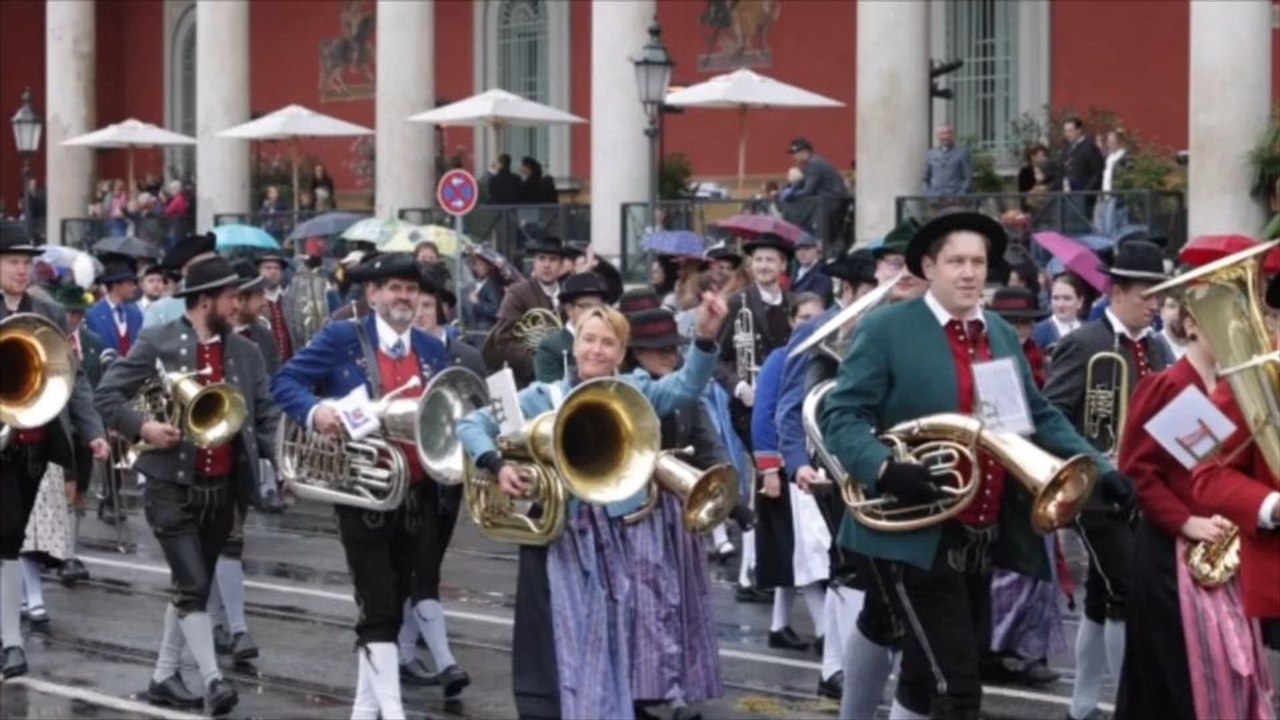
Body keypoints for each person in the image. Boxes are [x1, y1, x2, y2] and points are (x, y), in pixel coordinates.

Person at [820, 212, 1122, 719]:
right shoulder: (887, 329)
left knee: (923, 677)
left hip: (978, 535)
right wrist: (886, 469)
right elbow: (843, 415)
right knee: (956, 691)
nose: (969, 273)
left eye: (978, 262)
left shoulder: (999, 332)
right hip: (913, 532)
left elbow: (1036, 414)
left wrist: (1099, 468)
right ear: (929, 267)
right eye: (956, 261)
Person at [457, 293, 728, 719]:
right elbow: (473, 424)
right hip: (566, 532)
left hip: (621, 531)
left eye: (607, 343)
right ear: (575, 343)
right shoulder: (541, 396)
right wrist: (497, 463)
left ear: (621, 352)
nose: (596, 350)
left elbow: (687, 386)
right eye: (588, 340)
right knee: (574, 633)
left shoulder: (635, 389)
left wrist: (707, 338)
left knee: (622, 627)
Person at [271, 253, 459, 717]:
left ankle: (362, 712)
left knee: (395, 605)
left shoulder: (433, 349)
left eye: (411, 289)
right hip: (364, 493)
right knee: (378, 606)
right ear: (373, 295)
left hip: (418, 495)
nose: (404, 297)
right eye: (394, 287)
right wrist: (318, 412)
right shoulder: (343, 338)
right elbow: (286, 381)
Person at [94, 255, 279, 713]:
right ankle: (214, 680)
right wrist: (144, 428)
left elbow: (265, 413)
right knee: (194, 581)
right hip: (170, 483)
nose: (238, 305)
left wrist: (288, 458)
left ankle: (162, 676)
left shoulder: (247, 351)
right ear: (204, 300)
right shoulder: (159, 340)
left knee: (188, 585)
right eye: (231, 296)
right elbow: (107, 393)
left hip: (223, 487)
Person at [1115, 274, 1275, 720]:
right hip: (1175, 554)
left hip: (1225, 550)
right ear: (1191, 326)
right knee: (1179, 676)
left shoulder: (1236, 389)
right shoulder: (1171, 386)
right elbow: (1138, 471)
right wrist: (1185, 521)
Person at [1041, 239, 1174, 720]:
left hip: (1144, 489)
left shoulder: (1157, 346)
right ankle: (1131, 705)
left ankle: (1081, 707)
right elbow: (1051, 414)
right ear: (1117, 290)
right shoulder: (1084, 342)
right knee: (1127, 591)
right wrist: (1097, 458)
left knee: (1101, 594)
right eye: (1147, 295)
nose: (1155, 304)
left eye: (1159, 295)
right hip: (1097, 493)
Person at [0, 223, 109, 679]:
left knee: (12, 538)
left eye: (27, 263)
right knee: (6, 540)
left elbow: (72, 377)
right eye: (13, 262)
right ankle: (11, 642)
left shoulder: (46, 309)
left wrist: (92, 432)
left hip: (35, 445)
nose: (22, 271)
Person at [621, 307, 731, 720]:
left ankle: (674, 686)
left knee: (681, 601)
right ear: (638, 354)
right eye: (660, 349)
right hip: (637, 509)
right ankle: (657, 692)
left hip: (677, 508)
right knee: (649, 602)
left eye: (672, 348)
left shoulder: (680, 383)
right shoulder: (634, 389)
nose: (670, 355)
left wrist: (731, 496)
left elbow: (706, 439)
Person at [50, 282, 106, 585]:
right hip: (56, 424)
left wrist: (96, 427)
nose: (74, 319)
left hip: (83, 422)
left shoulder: (92, 341)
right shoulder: (51, 336)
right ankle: (61, 553)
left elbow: (90, 382)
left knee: (80, 491)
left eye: (78, 313)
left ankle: (70, 548)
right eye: (69, 313)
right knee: (62, 491)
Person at [488, 236, 581, 386]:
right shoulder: (517, 294)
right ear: (534, 263)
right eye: (541, 259)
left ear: (561, 264)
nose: (546, 265)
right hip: (527, 382)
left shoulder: (570, 295)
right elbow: (503, 341)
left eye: (553, 259)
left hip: (567, 379)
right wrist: (540, 362)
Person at [533, 272, 609, 383]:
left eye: (599, 307)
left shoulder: (610, 341)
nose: (595, 313)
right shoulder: (550, 347)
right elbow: (549, 391)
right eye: (586, 306)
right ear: (569, 310)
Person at [414, 263, 486, 377]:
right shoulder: (397, 355)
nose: (418, 314)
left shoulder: (470, 358)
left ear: (444, 308)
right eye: (412, 306)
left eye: (427, 306)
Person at [781, 137, 852, 245]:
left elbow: (808, 190)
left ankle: (794, 237)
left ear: (806, 152)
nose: (795, 156)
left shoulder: (813, 164)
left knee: (792, 207)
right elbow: (804, 185)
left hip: (832, 202)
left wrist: (792, 195)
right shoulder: (813, 162)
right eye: (794, 154)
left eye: (797, 153)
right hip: (830, 201)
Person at [85, 260, 144, 357]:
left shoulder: (135, 313)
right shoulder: (93, 315)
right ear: (116, 286)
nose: (134, 288)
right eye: (129, 284)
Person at [1032, 272, 1089, 356]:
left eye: (1067, 298)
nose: (1060, 304)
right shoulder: (1038, 331)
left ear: (1080, 302)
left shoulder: (1089, 330)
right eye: (1056, 298)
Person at [258, 253, 296, 363]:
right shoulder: (255, 302)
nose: (273, 272)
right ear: (259, 271)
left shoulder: (289, 298)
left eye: (277, 268)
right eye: (268, 268)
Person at [923, 125, 973, 197]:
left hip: (955, 197)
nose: (945, 136)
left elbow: (968, 176)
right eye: (942, 133)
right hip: (935, 196)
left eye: (948, 133)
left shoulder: (962, 152)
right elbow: (925, 178)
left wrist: (962, 193)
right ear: (938, 136)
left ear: (952, 135)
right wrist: (928, 193)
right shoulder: (931, 153)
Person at [790, 235, 832, 307]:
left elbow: (817, 303)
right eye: (799, 249)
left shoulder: (822, 274)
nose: (802, 253)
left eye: (806, 249)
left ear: (816, 250)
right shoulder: (796, 271)